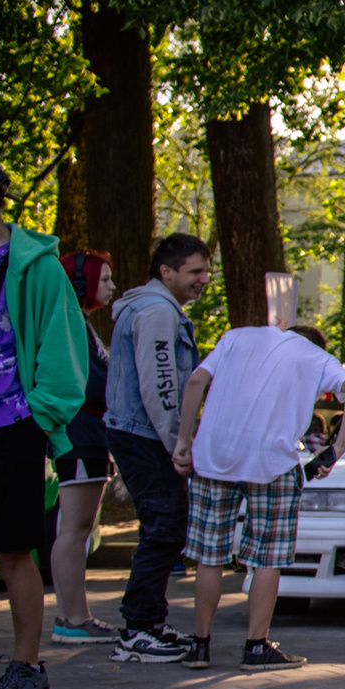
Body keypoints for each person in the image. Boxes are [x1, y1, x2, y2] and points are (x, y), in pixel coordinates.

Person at [170, 322, 345, 669]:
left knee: (209, 556)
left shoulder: (236, 337)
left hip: (214, 456)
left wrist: (184, 441)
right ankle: (256, 647)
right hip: (271, 463)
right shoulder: (314, 355)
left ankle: (200, 645)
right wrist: (337, 448)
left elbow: (197, 381)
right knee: (267, 558)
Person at [0, 157, 90, 689]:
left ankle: (26, 668)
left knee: (12, 549)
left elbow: (65, 357)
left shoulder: (37, 268)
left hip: (11, 429)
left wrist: (37, 418)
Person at [106, 232, 212, 663]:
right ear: (166, 272)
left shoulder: (155, 308)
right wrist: (178, 444)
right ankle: (138, 630)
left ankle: (148, 621)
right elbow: (161, 385)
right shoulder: (156, 313)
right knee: (163, 527)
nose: (203, 279)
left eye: (206, 270)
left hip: (138, 434)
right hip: (144, 437)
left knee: (164, 528)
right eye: (194, 271)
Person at [49, 252, 121, 645]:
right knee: (75, 530)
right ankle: (73, 618)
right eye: (106, 279)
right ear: (83, 283)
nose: (112, 287)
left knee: (74, 529)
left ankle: (72, 616)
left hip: (85, 435)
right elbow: (90, 384)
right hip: (81, 435)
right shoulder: (72, 323)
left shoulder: (77, 322)